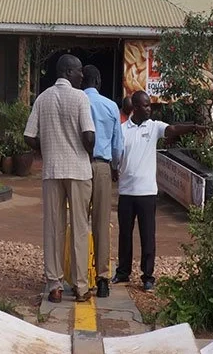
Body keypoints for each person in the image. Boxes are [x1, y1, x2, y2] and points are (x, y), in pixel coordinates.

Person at [114, 90, 202, 293]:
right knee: (125, 235)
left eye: (149, 105)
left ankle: (148, 276)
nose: (149, 109)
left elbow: (171, 130)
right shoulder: (122, 129)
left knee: (148, 236)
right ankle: (122, 272)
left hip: (147, 193)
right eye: (145, 106)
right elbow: (117, 155)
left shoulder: (154, 127)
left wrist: (193, 127)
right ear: (135, 108)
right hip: (126, 192)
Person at [25, 54, 96, 303]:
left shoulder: (42, 98)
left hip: (52, 169)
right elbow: (88, 136)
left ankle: (54, 285)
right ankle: (80, 286)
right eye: (78, 72)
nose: (81, 76)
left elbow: (29, 135)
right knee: (78, 228)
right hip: (78, 170)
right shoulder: (80, 97)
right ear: (68, 72)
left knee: (53, 227)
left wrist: (45, 147)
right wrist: (89, 150)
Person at [81, 65, 122, 298]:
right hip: (103, 166)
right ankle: (103, 278)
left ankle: (80, 279)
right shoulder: (110, 106)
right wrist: (115, 168)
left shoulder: (78, 102)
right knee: (101, 224)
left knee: (78, 224)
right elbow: (118, 146)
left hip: (80, 165)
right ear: (98, 81)